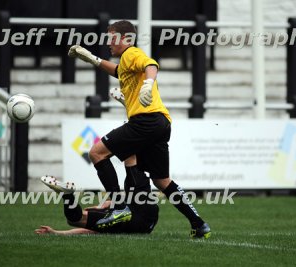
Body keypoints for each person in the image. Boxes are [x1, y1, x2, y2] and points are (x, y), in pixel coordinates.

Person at [68, 20, 210, 238]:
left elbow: (150, 65)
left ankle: (119, 207)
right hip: (162, 122)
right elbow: (118, 72)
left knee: (96, 153)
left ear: (126, 39)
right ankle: (198, 224)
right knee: (162, 180)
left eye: (112, 36)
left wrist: (148, 83)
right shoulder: (125, 62)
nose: (108, 41)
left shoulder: (132, 53)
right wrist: (94, 60)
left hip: (145, 122)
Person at [35, 174, 158, 235]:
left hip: (140, 219)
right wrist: (56, 232)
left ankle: (67, 196)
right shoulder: (114, 224)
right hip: (142, 215)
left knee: (75, 219)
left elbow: (87, 230)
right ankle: (67, 196)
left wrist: (57, 233)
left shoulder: (115, 222)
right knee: (75, 219)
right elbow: (88, 231)